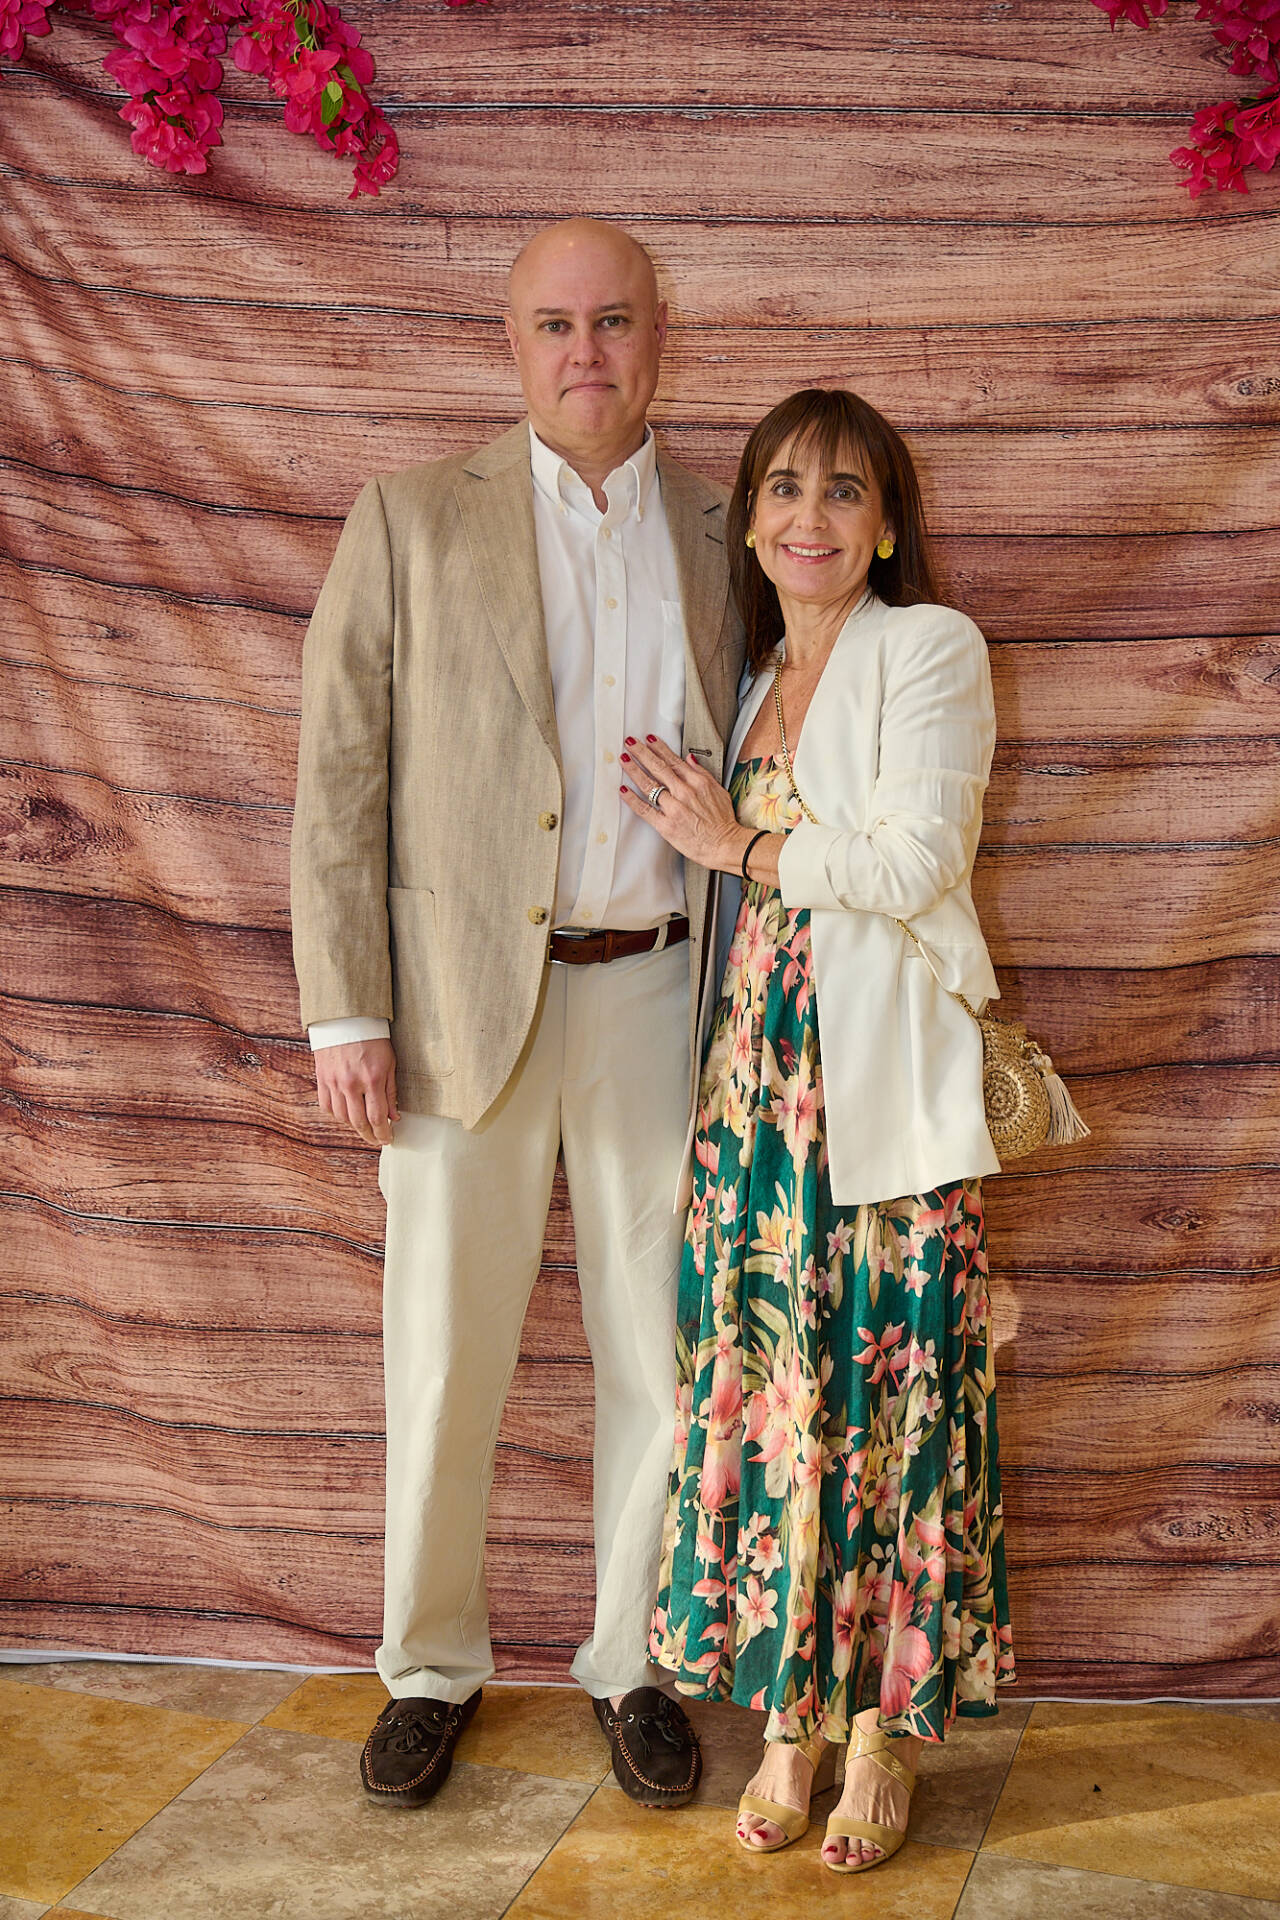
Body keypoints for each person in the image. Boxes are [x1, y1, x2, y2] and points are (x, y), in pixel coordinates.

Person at [290, 218, 744, 1811]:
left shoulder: (730, 527)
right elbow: (339, 775)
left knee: (664, 1357)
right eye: (555, 323)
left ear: (662, 335)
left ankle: (634, 1661)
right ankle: (427, 1667)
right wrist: (345, 1012)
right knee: (441, 1356)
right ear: (511, 340)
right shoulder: (411, 518)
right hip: (454, 1009)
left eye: (614, 320)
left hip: (662, 995)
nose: (586, 352)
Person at [617, 387, 1016, 1873]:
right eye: (784, 488)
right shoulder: (747, 681)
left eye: (845, 491)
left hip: (878, 1098)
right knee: (779, 1401)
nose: (809, 517)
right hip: (755, 1103)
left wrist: (740, 842)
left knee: (888, 1404)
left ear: (888, 524)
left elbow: (918, 858)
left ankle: (879, 1741)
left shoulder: (930, 647)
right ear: (751, 520)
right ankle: (790, 1721)